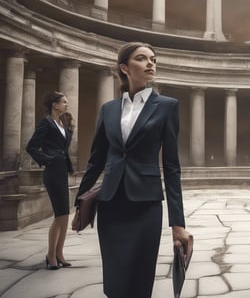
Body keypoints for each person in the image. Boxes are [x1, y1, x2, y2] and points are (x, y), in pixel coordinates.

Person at [72, 42, 192, 298]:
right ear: (125, 68)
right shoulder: (108, 110)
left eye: (153, 58)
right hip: (111, 204)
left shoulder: (168, 106)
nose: (151, 63)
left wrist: (178, 224)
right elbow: (96, 160)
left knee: (139, 281)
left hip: (145, 204)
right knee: (114, 281)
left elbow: (172, 168)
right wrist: (79, 204)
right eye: (142, 58)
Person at [26, 91, 74, 270]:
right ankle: (51, 255)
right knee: (59, 214)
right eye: (64, 102)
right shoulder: (46, 123)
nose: (67, 105)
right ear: (54, 105)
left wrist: (70, 129)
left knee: (64, 215)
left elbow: (64, 147)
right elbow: (31, 147)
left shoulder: (62, 124)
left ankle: (59, 253)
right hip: (52, 173)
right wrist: (47, 160)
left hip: (62, 172)